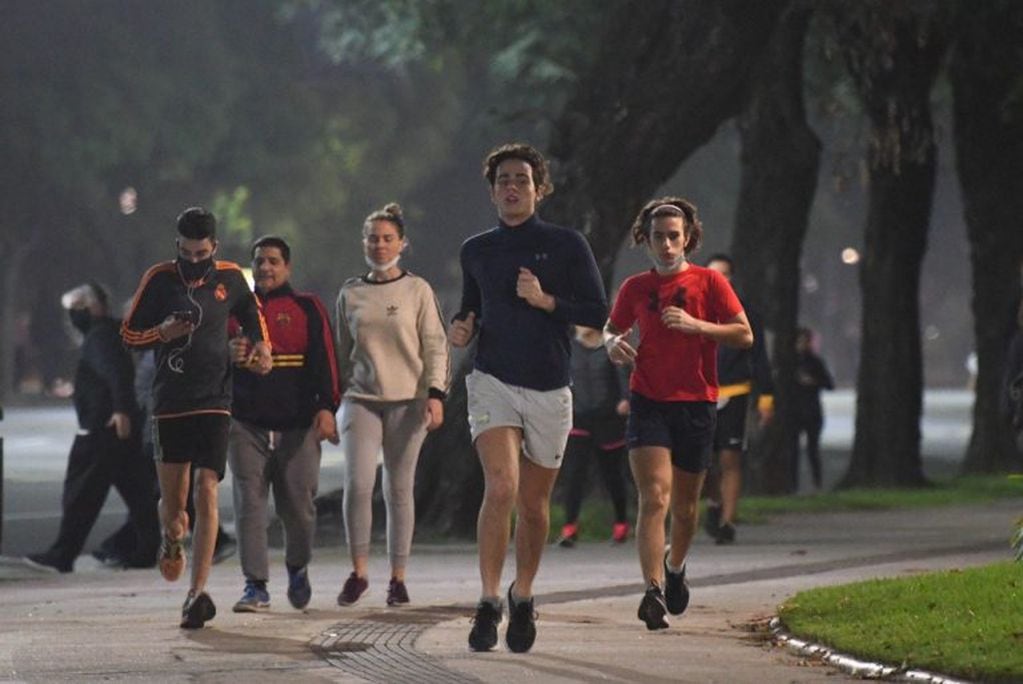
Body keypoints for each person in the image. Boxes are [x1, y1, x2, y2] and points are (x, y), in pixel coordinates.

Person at [450, 143, 607, 653]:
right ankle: (488, 599)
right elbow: (471, 305)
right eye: (502, 180)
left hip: (548, 384)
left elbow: (597, 312)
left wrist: (546, 301)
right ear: (492, 189)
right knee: (500, 488)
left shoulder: (566, 245)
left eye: (521, 178)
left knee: (535, 506)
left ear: (539, 188)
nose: (512, 187)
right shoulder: (477, 248)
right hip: (492, 378)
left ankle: (523, 595)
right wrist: (462, 326)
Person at [604, 198, 752, 631]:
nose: (667, 245)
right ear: (645, 240)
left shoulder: (709, 283)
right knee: (655, 496)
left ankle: (675, 566)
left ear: (688, 236)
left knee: (685, 510)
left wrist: (697, 326)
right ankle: (651, 591)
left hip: (697, 403)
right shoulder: (635, 287)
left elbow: (745, 334)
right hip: (648, 401)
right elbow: (612, 329)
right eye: (658, 237)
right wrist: (612, 344)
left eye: (674, 236)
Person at [121, 207, 272, 629]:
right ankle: (171, 539)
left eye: (201, 252)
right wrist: (160, 334)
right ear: (177, 247)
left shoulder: (229, 277)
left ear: (215, 248)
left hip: (215, 399)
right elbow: (129, 334)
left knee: (207, 489)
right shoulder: (159, 279)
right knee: (175, 509)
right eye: (186, 253)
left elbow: (253, 319)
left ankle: (196, 593)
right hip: (170, 402)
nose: (193, 260)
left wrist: (261, 348)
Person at [335, 203, 450, 608]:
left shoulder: (417, 290)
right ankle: (359, 571)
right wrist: (330, 403)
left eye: (387, 238)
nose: (379, 245)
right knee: (359, 484)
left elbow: (436, 344)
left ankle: (398, 578)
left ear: (402, 243)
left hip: (409, 400)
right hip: (360, 400)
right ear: (363, 242)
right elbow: (339, 351)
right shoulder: (350, 293)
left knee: (399, 488)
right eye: (372, 238)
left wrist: (436, 393)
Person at [226, 235, 341, 613]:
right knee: (249, 506)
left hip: (298, 426)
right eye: (259, 261)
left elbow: (326, 362)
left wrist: (327, 408)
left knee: (299, 507)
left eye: (274, 261)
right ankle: (255, 585)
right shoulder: (233, 313)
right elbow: (211, 363)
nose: (266, 268)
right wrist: (229, 355)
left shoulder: (306, 308)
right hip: (246, 424)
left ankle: (297, 567)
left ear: (287, 267)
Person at [24, 282, 160, 573]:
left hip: (104, 428)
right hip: (116, 427)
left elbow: (117, 374)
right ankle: (147, 551)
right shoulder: (107, 334)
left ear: (94, 307)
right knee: (140, 495)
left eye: (76, 309)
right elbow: (108, 376)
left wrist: (121, 409)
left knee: (81, 493)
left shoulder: (100, 337)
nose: (72, 317)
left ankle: (62, 555)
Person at [701, 254, 774, 544]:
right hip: (699, 393)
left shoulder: (745, 312)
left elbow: (760, 358)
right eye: (713, 274)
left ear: (732, 278)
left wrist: (766, 399)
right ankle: (713, 502)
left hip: (735, 392)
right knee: (701, 461)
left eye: (725, 274)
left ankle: (728, 522)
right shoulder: (691, 307)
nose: (719, 279)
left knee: (730, 458)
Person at [555, 325, 631, 547]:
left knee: (612, 474)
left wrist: (625, 399)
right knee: (574, 473)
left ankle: (621, 523)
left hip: (608, 419)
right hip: (578, 417)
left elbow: (623, 375)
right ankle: (569, 527)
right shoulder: (569, 346)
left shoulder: (610, 345)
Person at [792, 326, 834, 490]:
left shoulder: (815, 362)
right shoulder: (791, 362)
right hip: (795, 411)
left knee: (812, 449)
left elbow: (830, 384)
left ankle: (817, 483)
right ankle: (792, 484)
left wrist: (813, 382)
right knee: (793, 450)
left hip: (812, 410)